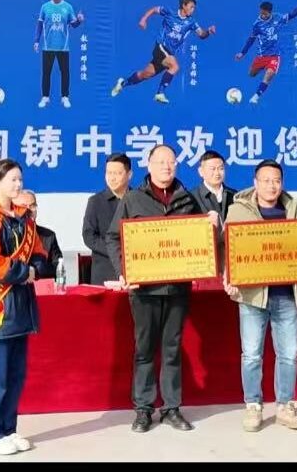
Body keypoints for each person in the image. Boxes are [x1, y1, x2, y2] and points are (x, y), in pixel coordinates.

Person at [107, 144, 217, 433]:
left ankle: (171, 408)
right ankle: (143, 409)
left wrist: (211, 226)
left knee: (172, 349)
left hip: (178, 288)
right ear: (149, 165)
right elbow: (113, 237)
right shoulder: (133, 198)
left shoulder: (188, 198)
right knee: (144, 350)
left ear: (177, 166)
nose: (166, 167)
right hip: (143, 290)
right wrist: (124, 271)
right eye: (160, 162)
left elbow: (203, 237)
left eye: (171, 162)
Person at [223, 160, 297, 432]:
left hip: (287, 294)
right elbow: (229, 248)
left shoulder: (294, 209)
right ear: (255, 182)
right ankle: (253, 406)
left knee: (289, 354)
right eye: (266, 180)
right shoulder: (238, 210)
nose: (271, 186)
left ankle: (286, 406)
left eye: (276, 180)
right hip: (252, 296)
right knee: (251, 354)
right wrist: (229, 276)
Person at [0, 159, 53, 456]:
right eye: (13, 180)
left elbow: (39, 251)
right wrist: (23, 272)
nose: (18, 185)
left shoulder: (22, 218)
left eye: (20, 179)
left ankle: (7, 428)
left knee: (15, 375)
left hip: (21, 309)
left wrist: (36, 267)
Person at [110, 0, 217, 104]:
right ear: (184, 5)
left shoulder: (191, 22)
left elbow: (201, 34)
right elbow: (154, 10)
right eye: (191, 7)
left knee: (144, 74)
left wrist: (208, 32)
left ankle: (122, 83)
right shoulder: (170, 13)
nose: (193, 9)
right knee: (175, 66)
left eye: (194, 7)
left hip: (168, 54)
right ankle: (160, 93)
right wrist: (143, 19)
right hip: (161, 47)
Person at [233, 0, 297, 104]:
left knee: (269, 74)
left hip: (274, 55)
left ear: (270, 12)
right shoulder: (257, 24)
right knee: (251, 74)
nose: (262, 15)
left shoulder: (278, 18)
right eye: (261, 13)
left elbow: (293, 14)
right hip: (261, 55)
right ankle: (264, 67)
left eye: (264, 13)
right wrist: (242, 53)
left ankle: (256, 96)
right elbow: (251, 39)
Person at [81, 153, 131, 284]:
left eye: (117, 173)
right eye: (109, 173)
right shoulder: (95, 201)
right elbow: (89, 236)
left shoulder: (138, 200)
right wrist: (116, 251)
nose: (112, 178)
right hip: (104, 272)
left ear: (129, 174)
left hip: (134, 270)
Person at [34, 0, 85, 108]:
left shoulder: (68, 7)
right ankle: (45, 97)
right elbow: (39, 25)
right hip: (48, 47)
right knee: (46, 73)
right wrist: (36, 41)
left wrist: (79, 20)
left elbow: (73, 24)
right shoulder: (45, 7)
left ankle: (65, 97)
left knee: (65, 72)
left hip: (63, 47)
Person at [15, 190, 63, 277]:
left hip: (42, 283)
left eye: (32, 206)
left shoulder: (49, 236)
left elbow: (58, 267)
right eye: (24, 206)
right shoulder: (8, 236)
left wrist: (38, 269)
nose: (29, 210)